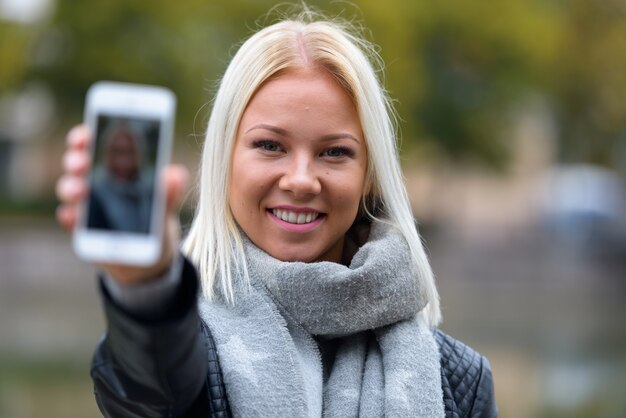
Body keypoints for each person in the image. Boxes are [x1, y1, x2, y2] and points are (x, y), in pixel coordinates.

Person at [56, 10, 497, 418]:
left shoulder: (461, 382)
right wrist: (146, 287)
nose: (301, 180)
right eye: (270, 145)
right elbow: (147, 392)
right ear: (224, 160)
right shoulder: (182, 349)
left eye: (334, 152)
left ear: (370, 175)